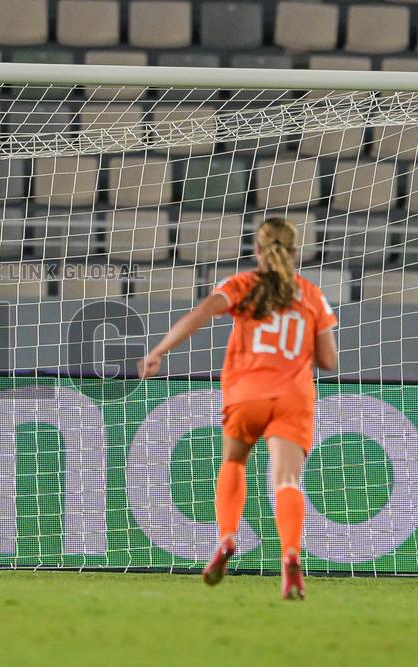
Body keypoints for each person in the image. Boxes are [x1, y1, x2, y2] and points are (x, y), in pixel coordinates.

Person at [138, 217, 338, 600]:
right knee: (286, 480)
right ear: (296, 252)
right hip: (293, 396)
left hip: (247, 392)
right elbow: (328, 360)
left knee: (234, 463)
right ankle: (291, 553)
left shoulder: (242, 286)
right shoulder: (312, 295)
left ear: (257, 250)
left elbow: (199, 314)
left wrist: (159, 351)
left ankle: (228, 538)